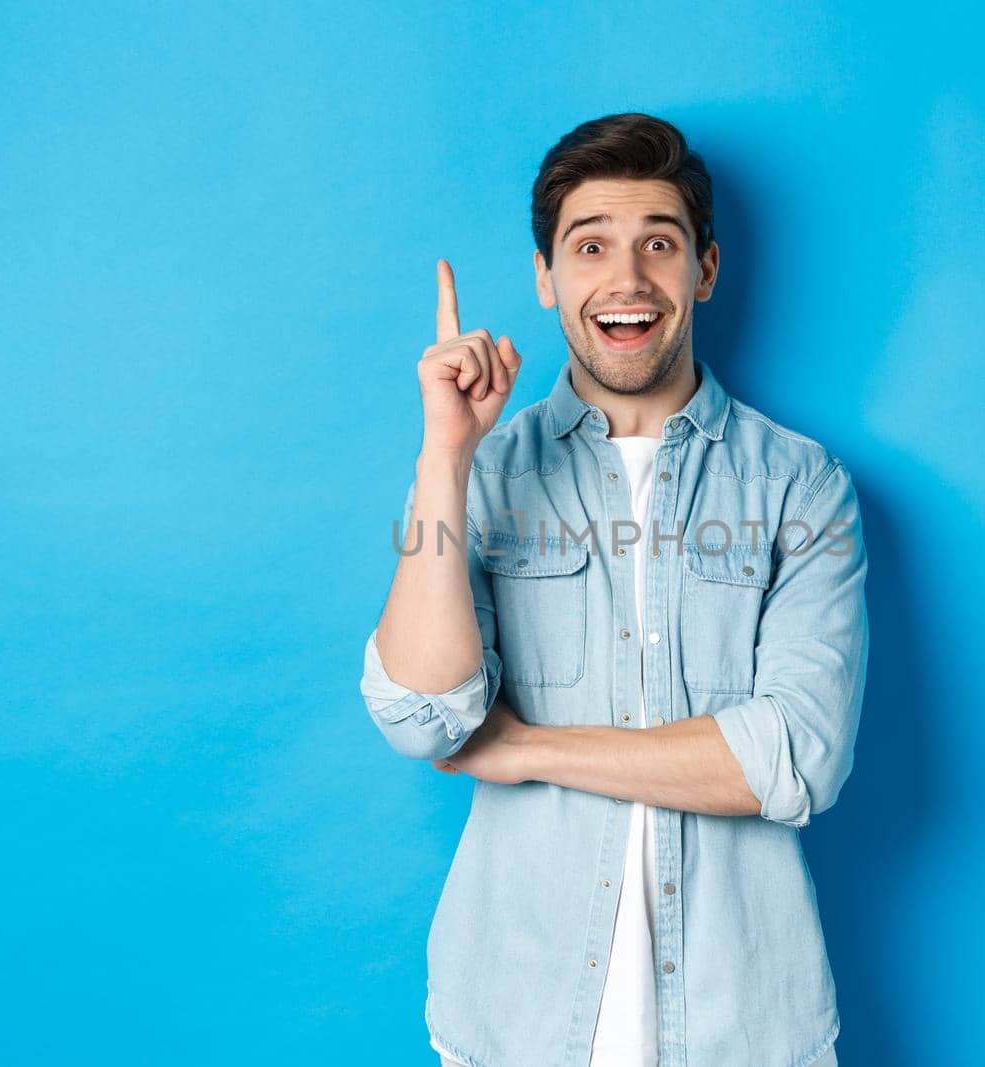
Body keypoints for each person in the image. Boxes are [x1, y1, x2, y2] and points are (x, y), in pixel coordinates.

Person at [361, 112, 867, 1067]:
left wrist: (527, 749)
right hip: (513, 1023)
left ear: (704, 272)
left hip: (746, 1031)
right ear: (547, 276)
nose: (627, 279)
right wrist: (444, 454)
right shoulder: (478, 475)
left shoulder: (802, 485)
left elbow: (796, 758)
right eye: (590, 246)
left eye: (659, 245)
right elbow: (424, 717)